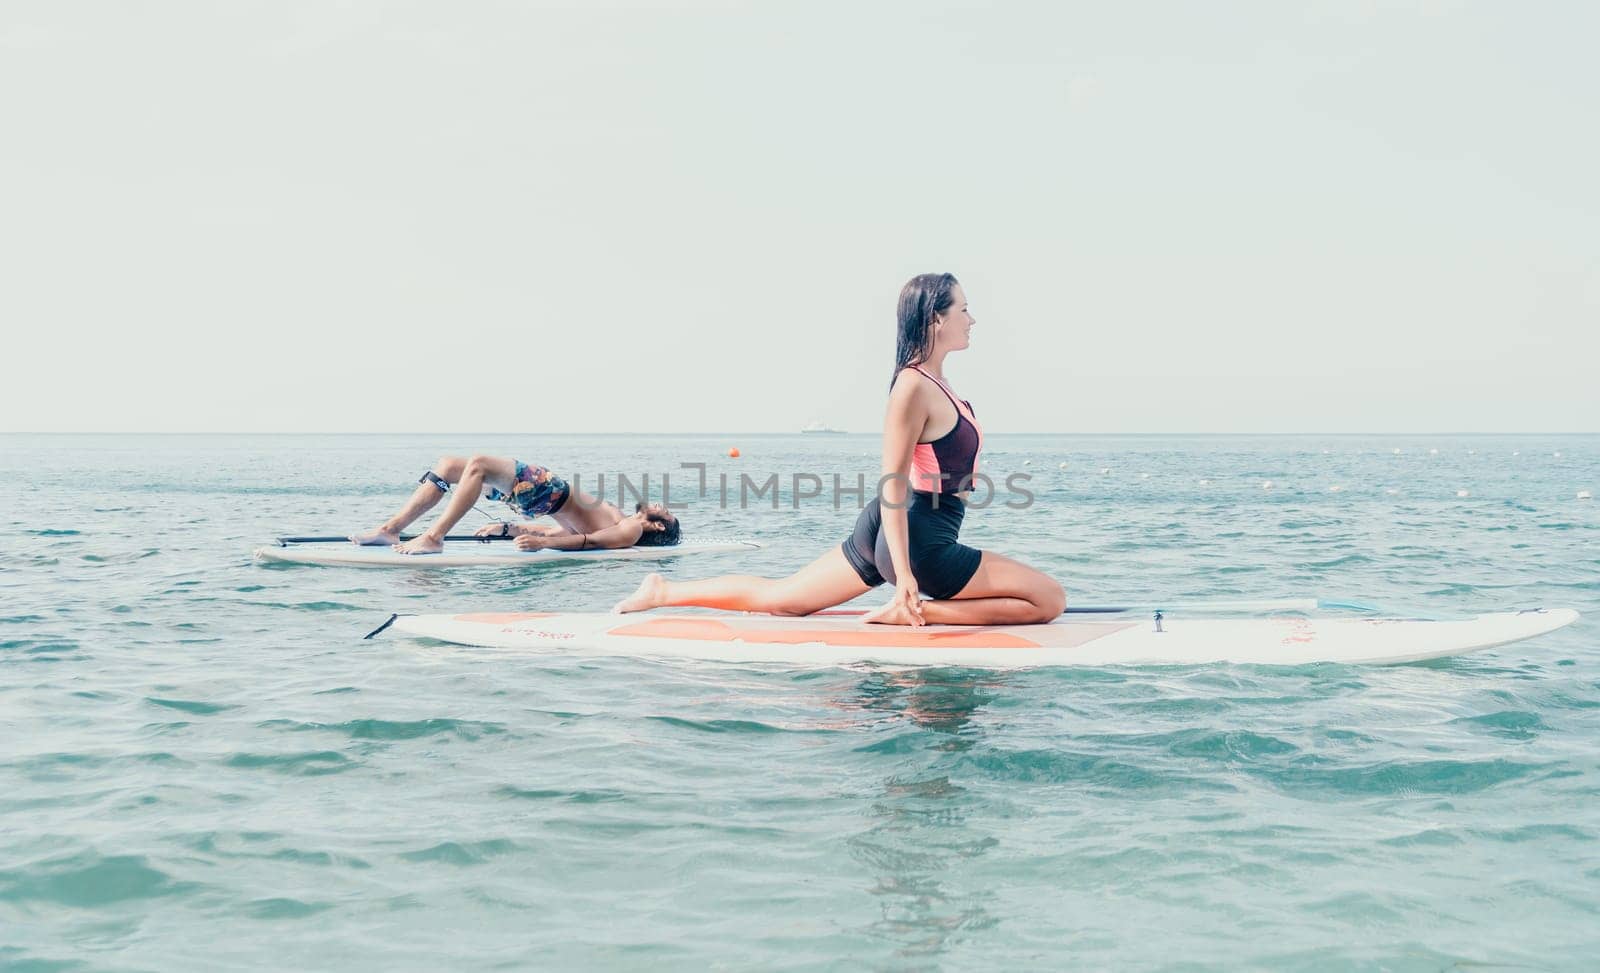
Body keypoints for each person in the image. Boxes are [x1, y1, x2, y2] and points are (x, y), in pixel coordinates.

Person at [615, 273, 1064, 625]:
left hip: (897, 529)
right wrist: (905, 578)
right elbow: (893, 480)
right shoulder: (913, 386)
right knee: (1047, 600)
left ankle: (663, 592)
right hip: (920, 537)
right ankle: (915, 609)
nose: (973, 319)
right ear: (936, 319)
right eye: (965, 309)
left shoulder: (936, 383)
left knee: (784, 600)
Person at [350, 455, 681, 555]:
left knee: (477, 465)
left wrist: (541, 544)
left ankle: (434, 538)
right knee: (452, 466)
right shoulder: (619, 521)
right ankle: (390, 531)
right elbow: (562, 529)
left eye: (666, 512)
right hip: (542, 502)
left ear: (656, 526)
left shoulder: (632, 527)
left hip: (549, 492)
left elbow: (589, 542)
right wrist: (510, 529)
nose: (661, 505)